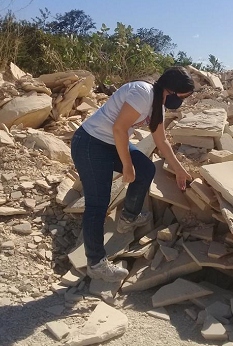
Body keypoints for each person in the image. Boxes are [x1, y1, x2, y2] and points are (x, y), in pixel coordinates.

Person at [71, 66, 195, 282]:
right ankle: (96, 264)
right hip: (90, 143)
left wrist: (178, 169)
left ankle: (128, 218)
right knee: (97, 204)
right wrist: (127, 166)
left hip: (110, 143)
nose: (181, 102)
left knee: (146, 169)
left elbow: (161, 140)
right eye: (182, 97)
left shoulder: (158, 104)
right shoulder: (142, 93)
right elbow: (119, 128)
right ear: (171, 90)